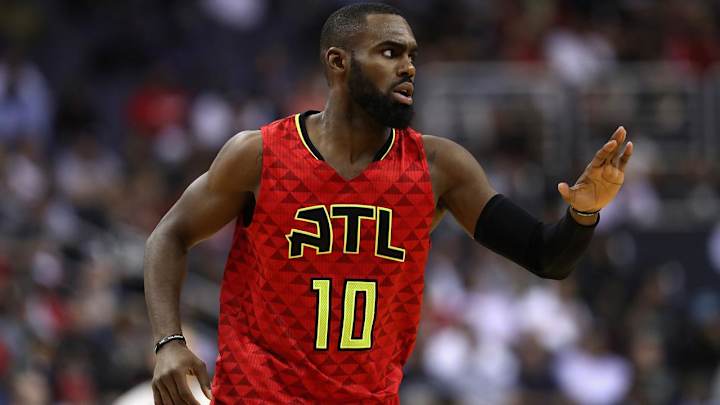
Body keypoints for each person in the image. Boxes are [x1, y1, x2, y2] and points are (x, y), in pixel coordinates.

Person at [144, 3, 634, 404]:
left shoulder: (440, 167)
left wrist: (584, 212)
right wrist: (169, 342)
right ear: (338, 63)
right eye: (389, 52)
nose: (408, 67)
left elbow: (546, 256)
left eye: (412, 55)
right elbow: (169, 235)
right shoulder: (260, 155)